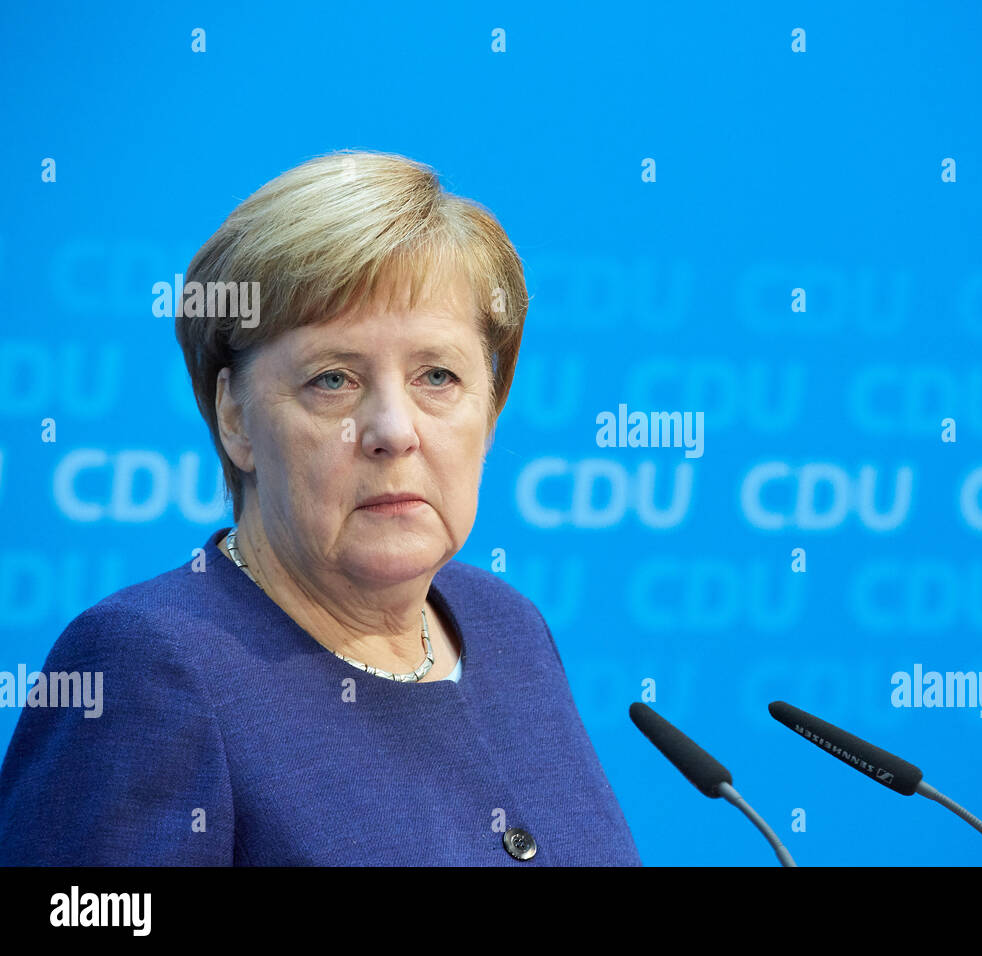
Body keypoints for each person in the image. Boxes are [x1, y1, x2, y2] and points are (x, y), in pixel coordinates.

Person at [0, 150, 640, 866]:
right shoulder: (151, 668)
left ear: (490, 410)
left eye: (438, 376)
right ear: (236, 418)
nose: (394, 431)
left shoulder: (509, 630)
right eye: (332, 380)